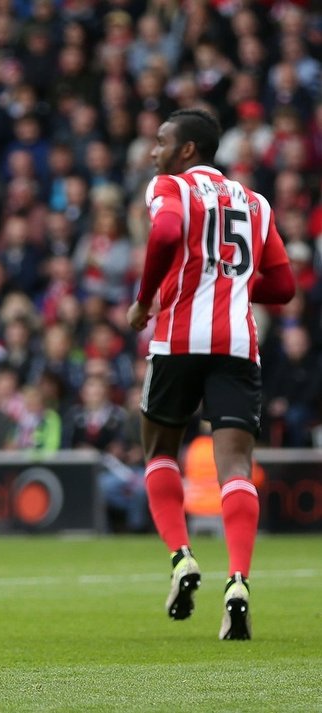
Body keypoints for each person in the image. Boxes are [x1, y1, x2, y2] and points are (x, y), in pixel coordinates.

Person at [128, 108, 295, 640]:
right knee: (236, 467)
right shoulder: (256, 202)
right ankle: (239, 582)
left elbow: (167, 233)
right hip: (239, 345)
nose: (154, 152)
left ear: (187, 151)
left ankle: (181, 557)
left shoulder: (170, 186)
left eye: (161, 142)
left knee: (158, 452)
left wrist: (144, 300)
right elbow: (284, 285)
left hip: (178, 338)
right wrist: (236, 289)